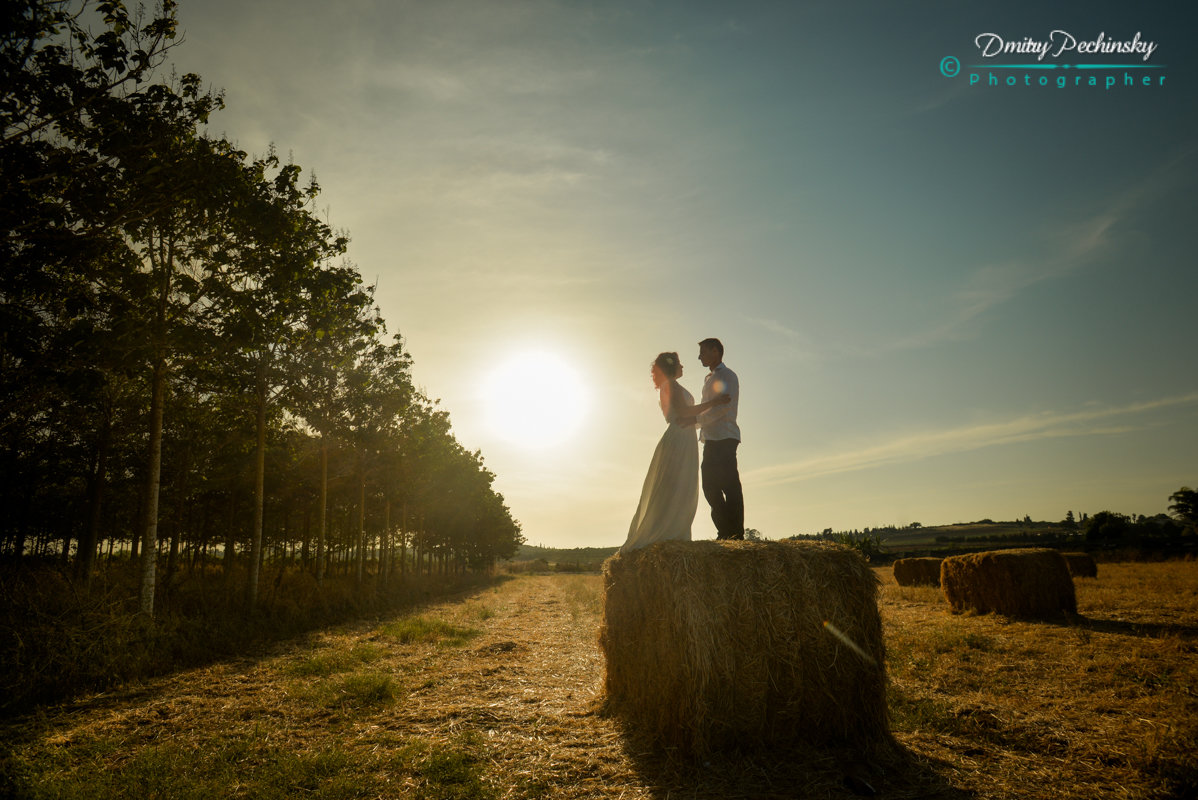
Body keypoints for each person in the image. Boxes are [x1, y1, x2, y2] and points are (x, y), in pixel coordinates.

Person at [621, 352, 731, 554]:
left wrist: (701, 420)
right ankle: (667, 533)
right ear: (671, 367)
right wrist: (714, 403)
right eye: (680, 364)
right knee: (676, 485)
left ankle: (676, 533)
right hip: (679, 439)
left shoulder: (671, 386)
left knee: (682, 485)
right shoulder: (670, 385)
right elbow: (684, 413)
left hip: (684, 437)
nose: (683, 367)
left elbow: (687, 418)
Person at [696, 337, 743, 540]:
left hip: (724, 436)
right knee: (709, 486)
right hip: (711, 439)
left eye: (703, 352)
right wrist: (696, 423)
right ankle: (726, 530)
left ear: (715, 351)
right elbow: (710, 407)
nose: (699, 357)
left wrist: (695, 420)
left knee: (729, 485)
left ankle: (734, 533)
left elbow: (723, 408)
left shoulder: (728, 376)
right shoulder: (709, 379)